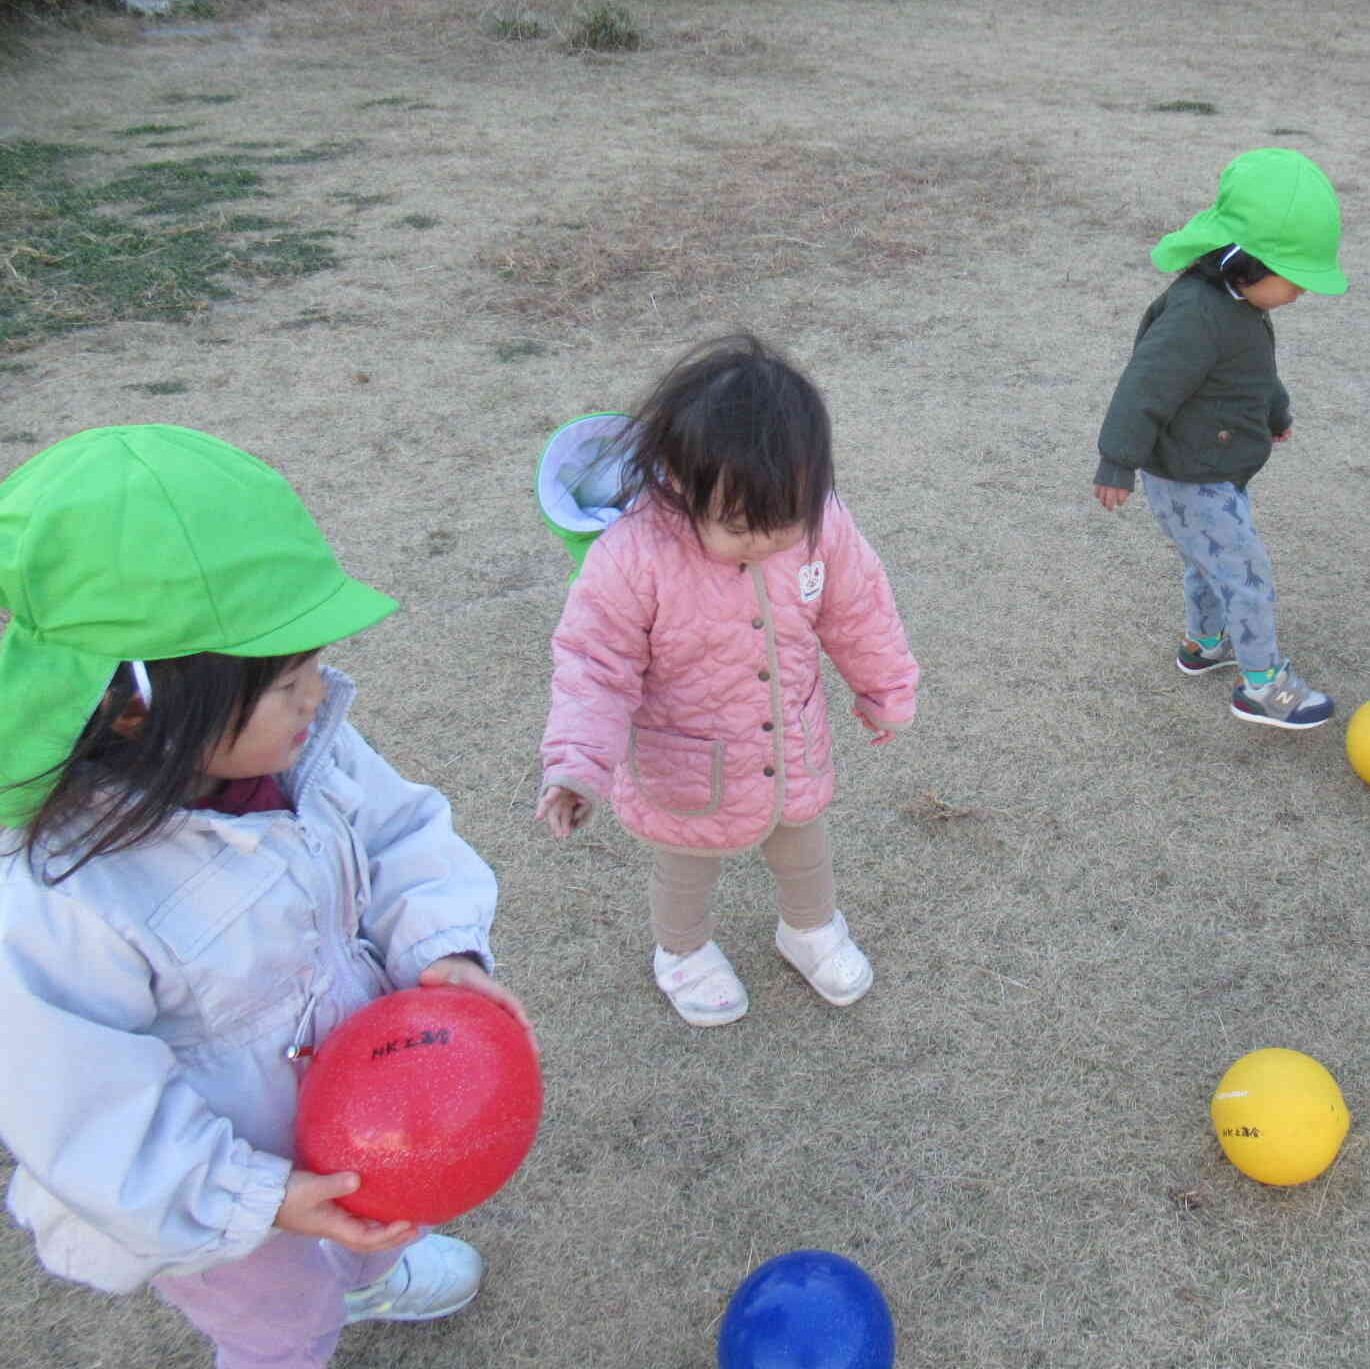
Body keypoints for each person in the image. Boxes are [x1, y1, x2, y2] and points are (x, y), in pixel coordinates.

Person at [0, 426, 532, 1369]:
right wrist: (259, 1201)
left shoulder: (305, 754)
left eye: (312, 664)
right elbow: (85, 1115)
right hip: (235, 1195)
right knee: (281, 1325)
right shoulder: (61, 893)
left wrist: (438, 951)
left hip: (371, 1113)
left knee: (370, 1233)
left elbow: (404, 833)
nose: (318, 696)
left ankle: (368, 1284)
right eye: (289, 681)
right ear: (139, 707)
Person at [537, 335, 918, 1028]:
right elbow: (594, 666)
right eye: (743, 525)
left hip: (789, 741)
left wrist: (885, 688)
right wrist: (577, 765)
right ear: (680, 484)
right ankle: (680, 951)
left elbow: (859, 607)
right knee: (684, 864)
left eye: (786, 519)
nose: (770, 540)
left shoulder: (818, 522)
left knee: (804, 841)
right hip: (685, 760)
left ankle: (809, 929)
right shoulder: (632, 555)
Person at [1092, 147, 1350, 730]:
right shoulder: (1194, 315)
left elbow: (1255, 375)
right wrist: (1117, 461)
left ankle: (1205, 643)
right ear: (1246, 262)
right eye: (1295, 279)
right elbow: (1144, 387)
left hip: (1211, 466)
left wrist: (1276, 413)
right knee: (1247, 576)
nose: (1302, 292)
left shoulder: (1241, 307)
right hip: (1190, 476)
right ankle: (1262, 687)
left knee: (1207, 562)